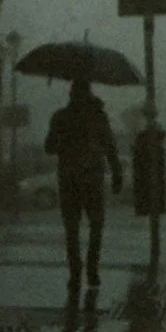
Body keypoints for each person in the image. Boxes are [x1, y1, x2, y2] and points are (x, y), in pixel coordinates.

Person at [45, 76, 123, 292]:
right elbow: (110, 147)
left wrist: (64, 143)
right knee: (95, 225)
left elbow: (49, 147)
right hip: (92, 178)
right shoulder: (98, 118)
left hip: (70, 178)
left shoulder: (61, 117)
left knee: (72, 227)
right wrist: (116, 173)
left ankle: (76, 270)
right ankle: (91, 270)